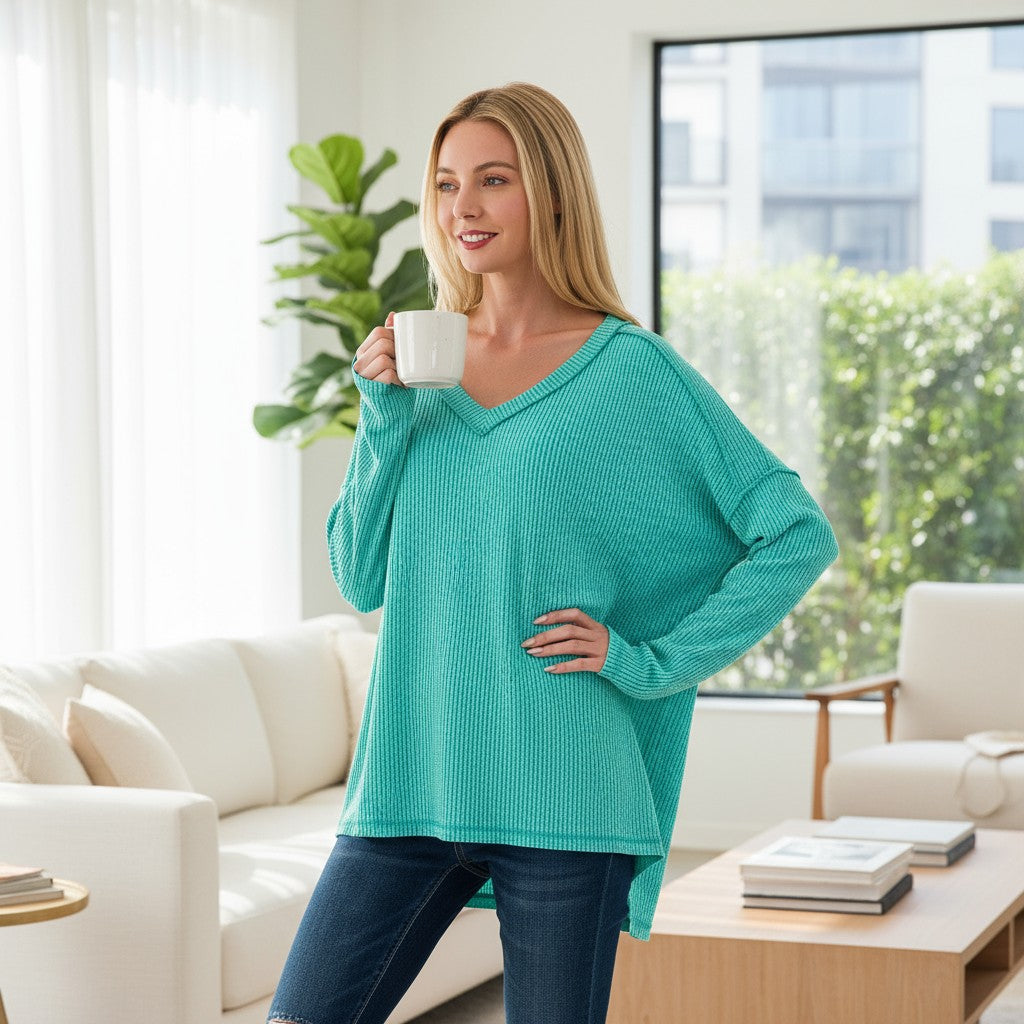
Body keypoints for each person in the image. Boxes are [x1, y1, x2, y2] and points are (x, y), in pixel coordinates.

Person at [268, 82, 838, 1024]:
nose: (464, 208)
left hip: (569, 787)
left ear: (554, 194)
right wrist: (383, 417)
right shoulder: (417, 373)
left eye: (494, 179)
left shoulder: (632, 370)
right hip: (409, 779)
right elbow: (359, 576)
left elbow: (792, 533)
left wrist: (647, 662)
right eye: (448, 184)